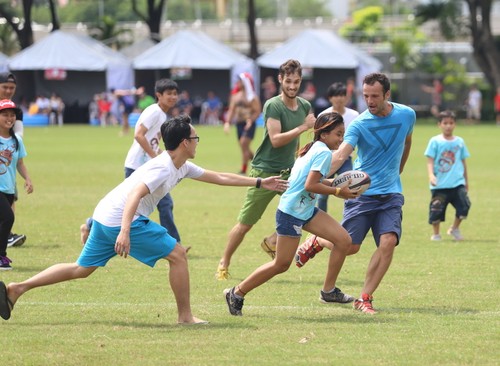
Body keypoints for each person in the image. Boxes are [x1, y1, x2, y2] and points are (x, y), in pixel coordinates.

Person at [0, 115, 288, 323]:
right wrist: (125, 231)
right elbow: (136, 193)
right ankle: (185, 317)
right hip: (120, 219)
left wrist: (260, 183)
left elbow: (218, 176)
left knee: (81, 269)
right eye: (196, 137)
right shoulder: (163, 167)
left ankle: (16, 289)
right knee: (177, 254)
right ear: (185, 142)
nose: (198, 141)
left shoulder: (181, 165)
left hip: (103, 215)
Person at [294, 73, 415, 314]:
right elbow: (340, 156)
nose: (369, 101)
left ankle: (365, 298)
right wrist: (313, 174)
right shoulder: (359, 124)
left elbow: (408, 141)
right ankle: (318, 241)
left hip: (391, 193)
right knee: (350, 247)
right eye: (366, 95)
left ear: (387, 95)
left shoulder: (407, 114)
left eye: (375, 96)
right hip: (362, 193)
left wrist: (399, 169)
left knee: (388, 242)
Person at [223, 113, 360, 316]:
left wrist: (338, 183)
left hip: (304, 209)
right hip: (291, 213)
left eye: (343, 134)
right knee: (281, 264)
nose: (341, 140)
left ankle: (328, 291)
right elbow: (310, 184)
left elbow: (314, 181)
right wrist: (339, 192)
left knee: (343, 240)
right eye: (338, 134)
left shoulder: (315, 148)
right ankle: (236, 292)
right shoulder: (322, 153)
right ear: (324, 134)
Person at [216, 59, 316, 280]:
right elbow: (276, 139)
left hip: (289, 172)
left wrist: (300, 158)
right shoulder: (273, 105)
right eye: (288, 81)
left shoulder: (304, 106)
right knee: (245, 224)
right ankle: (224, 262)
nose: (292, 86)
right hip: (265, 172)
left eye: (296, 82)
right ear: (280, 79)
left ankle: (272, 241)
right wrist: (303, 127)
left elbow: (297, 142)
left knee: (308, 207)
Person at [124, 78, 182, 243]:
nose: (173, 97)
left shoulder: (163, 115)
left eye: (175, 94)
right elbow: (139, 135)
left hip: (148, 166)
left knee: (164, 203)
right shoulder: (154, 111)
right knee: (128, 206)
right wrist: (154, 156)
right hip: (136, 166)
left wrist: (166, 157)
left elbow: (153, 142)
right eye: (169, 94)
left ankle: (173, 243)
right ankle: (91, 225)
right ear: (158, 95)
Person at [425, 110, 470, 241]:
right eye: (445, 123)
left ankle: (454, 228)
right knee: (436, 208)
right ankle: (436, 234)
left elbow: (463, 162)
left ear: (455, 124)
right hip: (440, 184)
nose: (448, 126)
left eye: (451, 123)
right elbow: (430, 160)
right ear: (439, 124)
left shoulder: (460, 142)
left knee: (465, 205)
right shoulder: (435, 141)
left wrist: (466, 181)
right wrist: (431, 175)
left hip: (457, 183)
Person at [316, 82, 359, 213]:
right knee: (322, 195)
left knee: (351, 190)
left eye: (342, 95)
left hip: (345, 159)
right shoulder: (324, 115)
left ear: (347, 97)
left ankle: (350, 220)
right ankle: (321, 224)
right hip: (327, 158)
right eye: (336, 95)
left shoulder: (355, 115)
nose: (339, 98)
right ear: (330, 98)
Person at [0, 100, 33, 270]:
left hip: (8, 188)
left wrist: (27, 179)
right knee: (8, 217)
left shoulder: (16, 140)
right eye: (5, 114)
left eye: (12, 115)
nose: (9, 118)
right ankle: (1, 256)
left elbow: (20, 163)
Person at [0, 72, 26, 248]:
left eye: (12, 88)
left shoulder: (16, 110)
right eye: (5, 87)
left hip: (8, 159)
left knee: (10, 197)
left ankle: (7, 234)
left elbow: (19, 134)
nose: (8, 91)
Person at [224, 72, 262, 175]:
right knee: (244, 147)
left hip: (249, 123)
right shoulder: (235, 96)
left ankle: (244, 169)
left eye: (240, 81)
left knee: (243, 143)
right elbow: (232, 110)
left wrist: (251, 120)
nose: (238, 83)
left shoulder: (252, 97)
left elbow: (257, 111)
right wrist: (227, 122)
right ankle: (257, 161)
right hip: (239, 124)